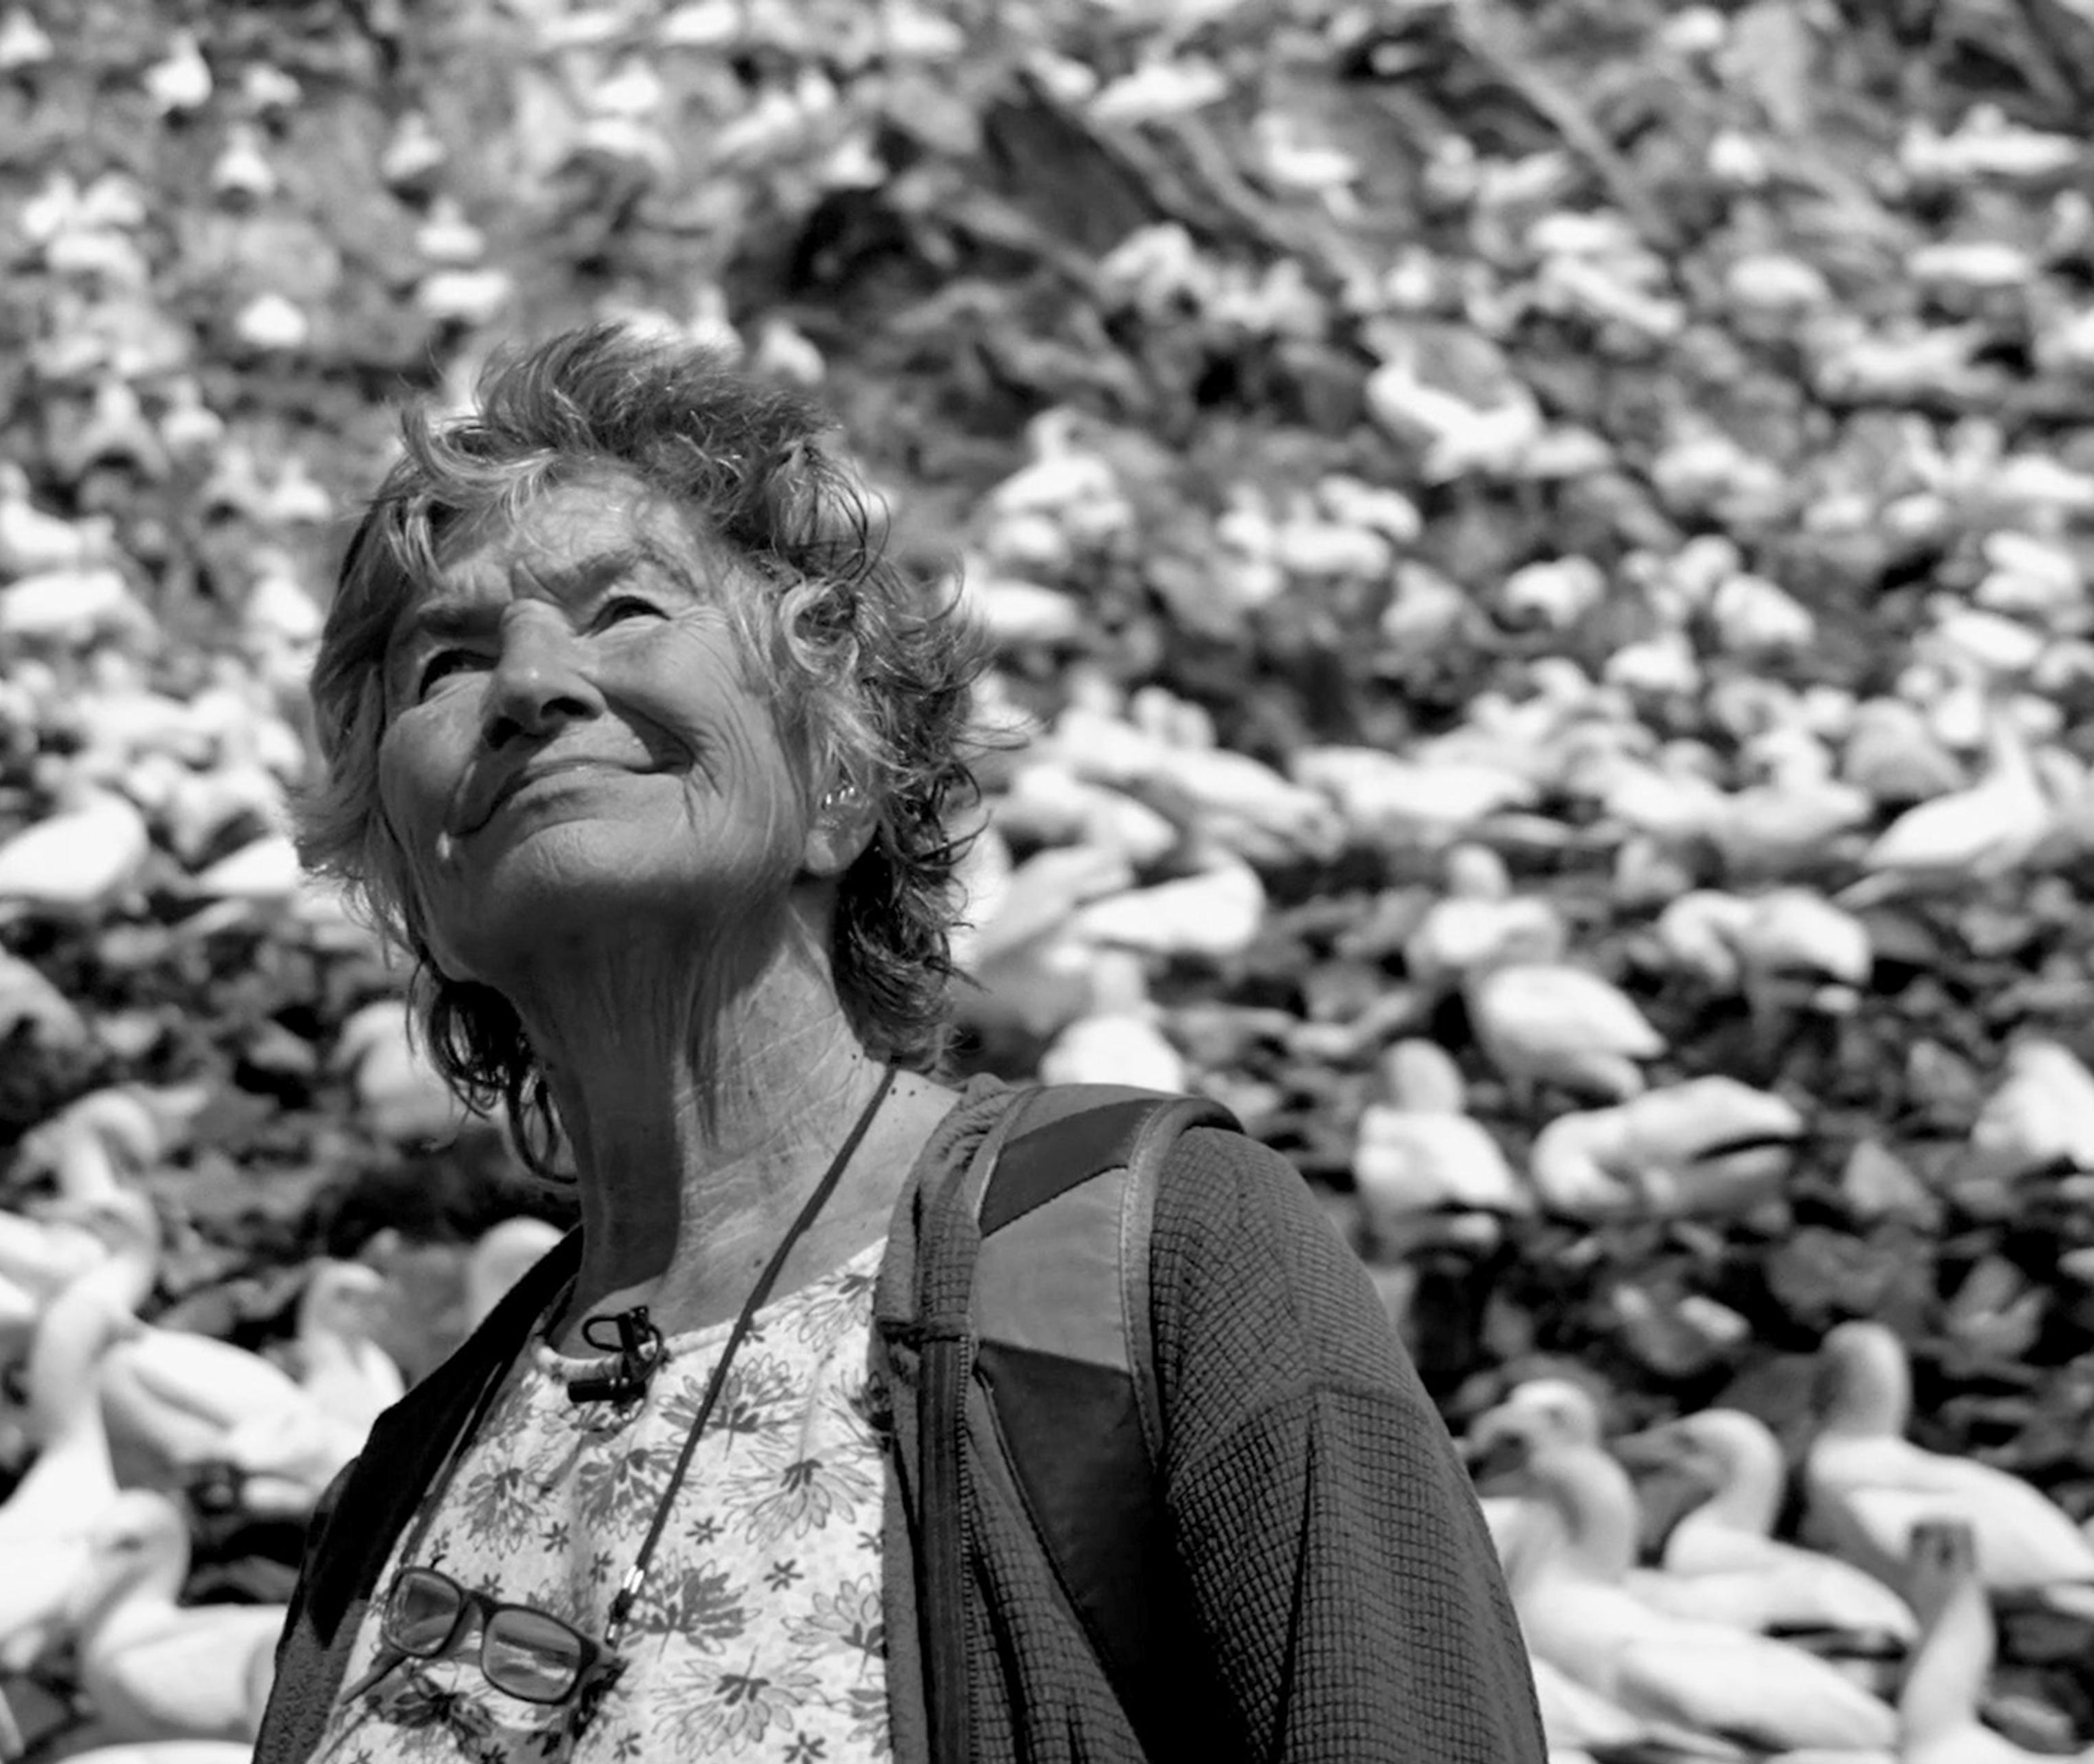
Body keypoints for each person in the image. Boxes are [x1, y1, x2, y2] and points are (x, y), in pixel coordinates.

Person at [257, 323, 1545, 1763]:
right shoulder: (402, 1485)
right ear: (409, 881)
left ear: (841, 782)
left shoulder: (1156, 1259)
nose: (530, 685)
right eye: (447, 660)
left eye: (624, 609)